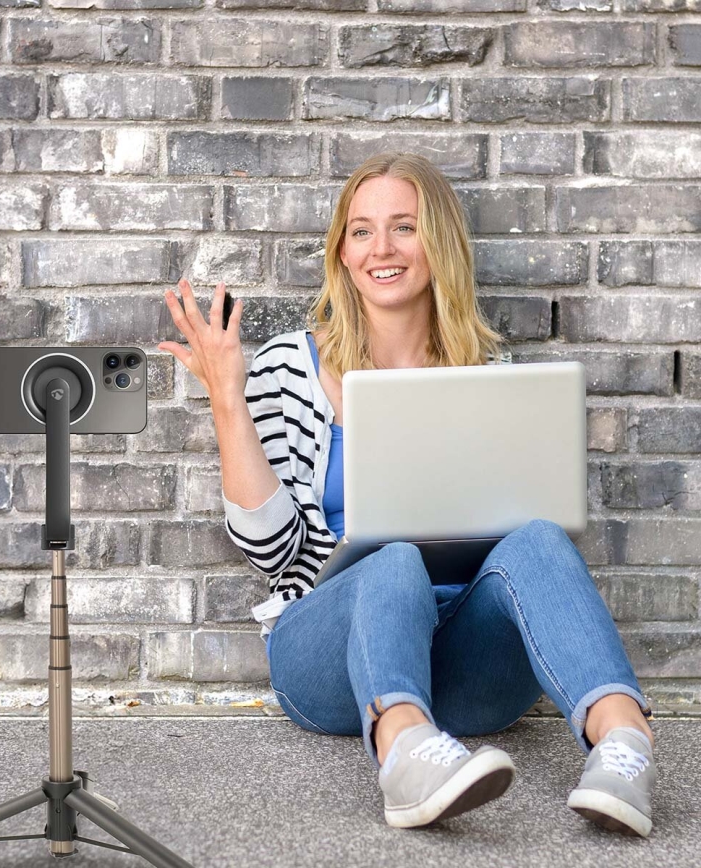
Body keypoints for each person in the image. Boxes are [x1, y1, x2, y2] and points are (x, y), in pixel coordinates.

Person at [158, 152, 657, 837]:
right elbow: (273, 553)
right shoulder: (283, 368)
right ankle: (405, 753)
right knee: (390, 556)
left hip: (465, 662)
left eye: (404, 227)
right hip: (330, 658)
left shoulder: (491, 376)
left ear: (439, 245)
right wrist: (226, 398)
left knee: (538, 537)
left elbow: (519, 547)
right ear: (341, 251)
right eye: (361, 231)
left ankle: (625, 748)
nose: (381, 250)